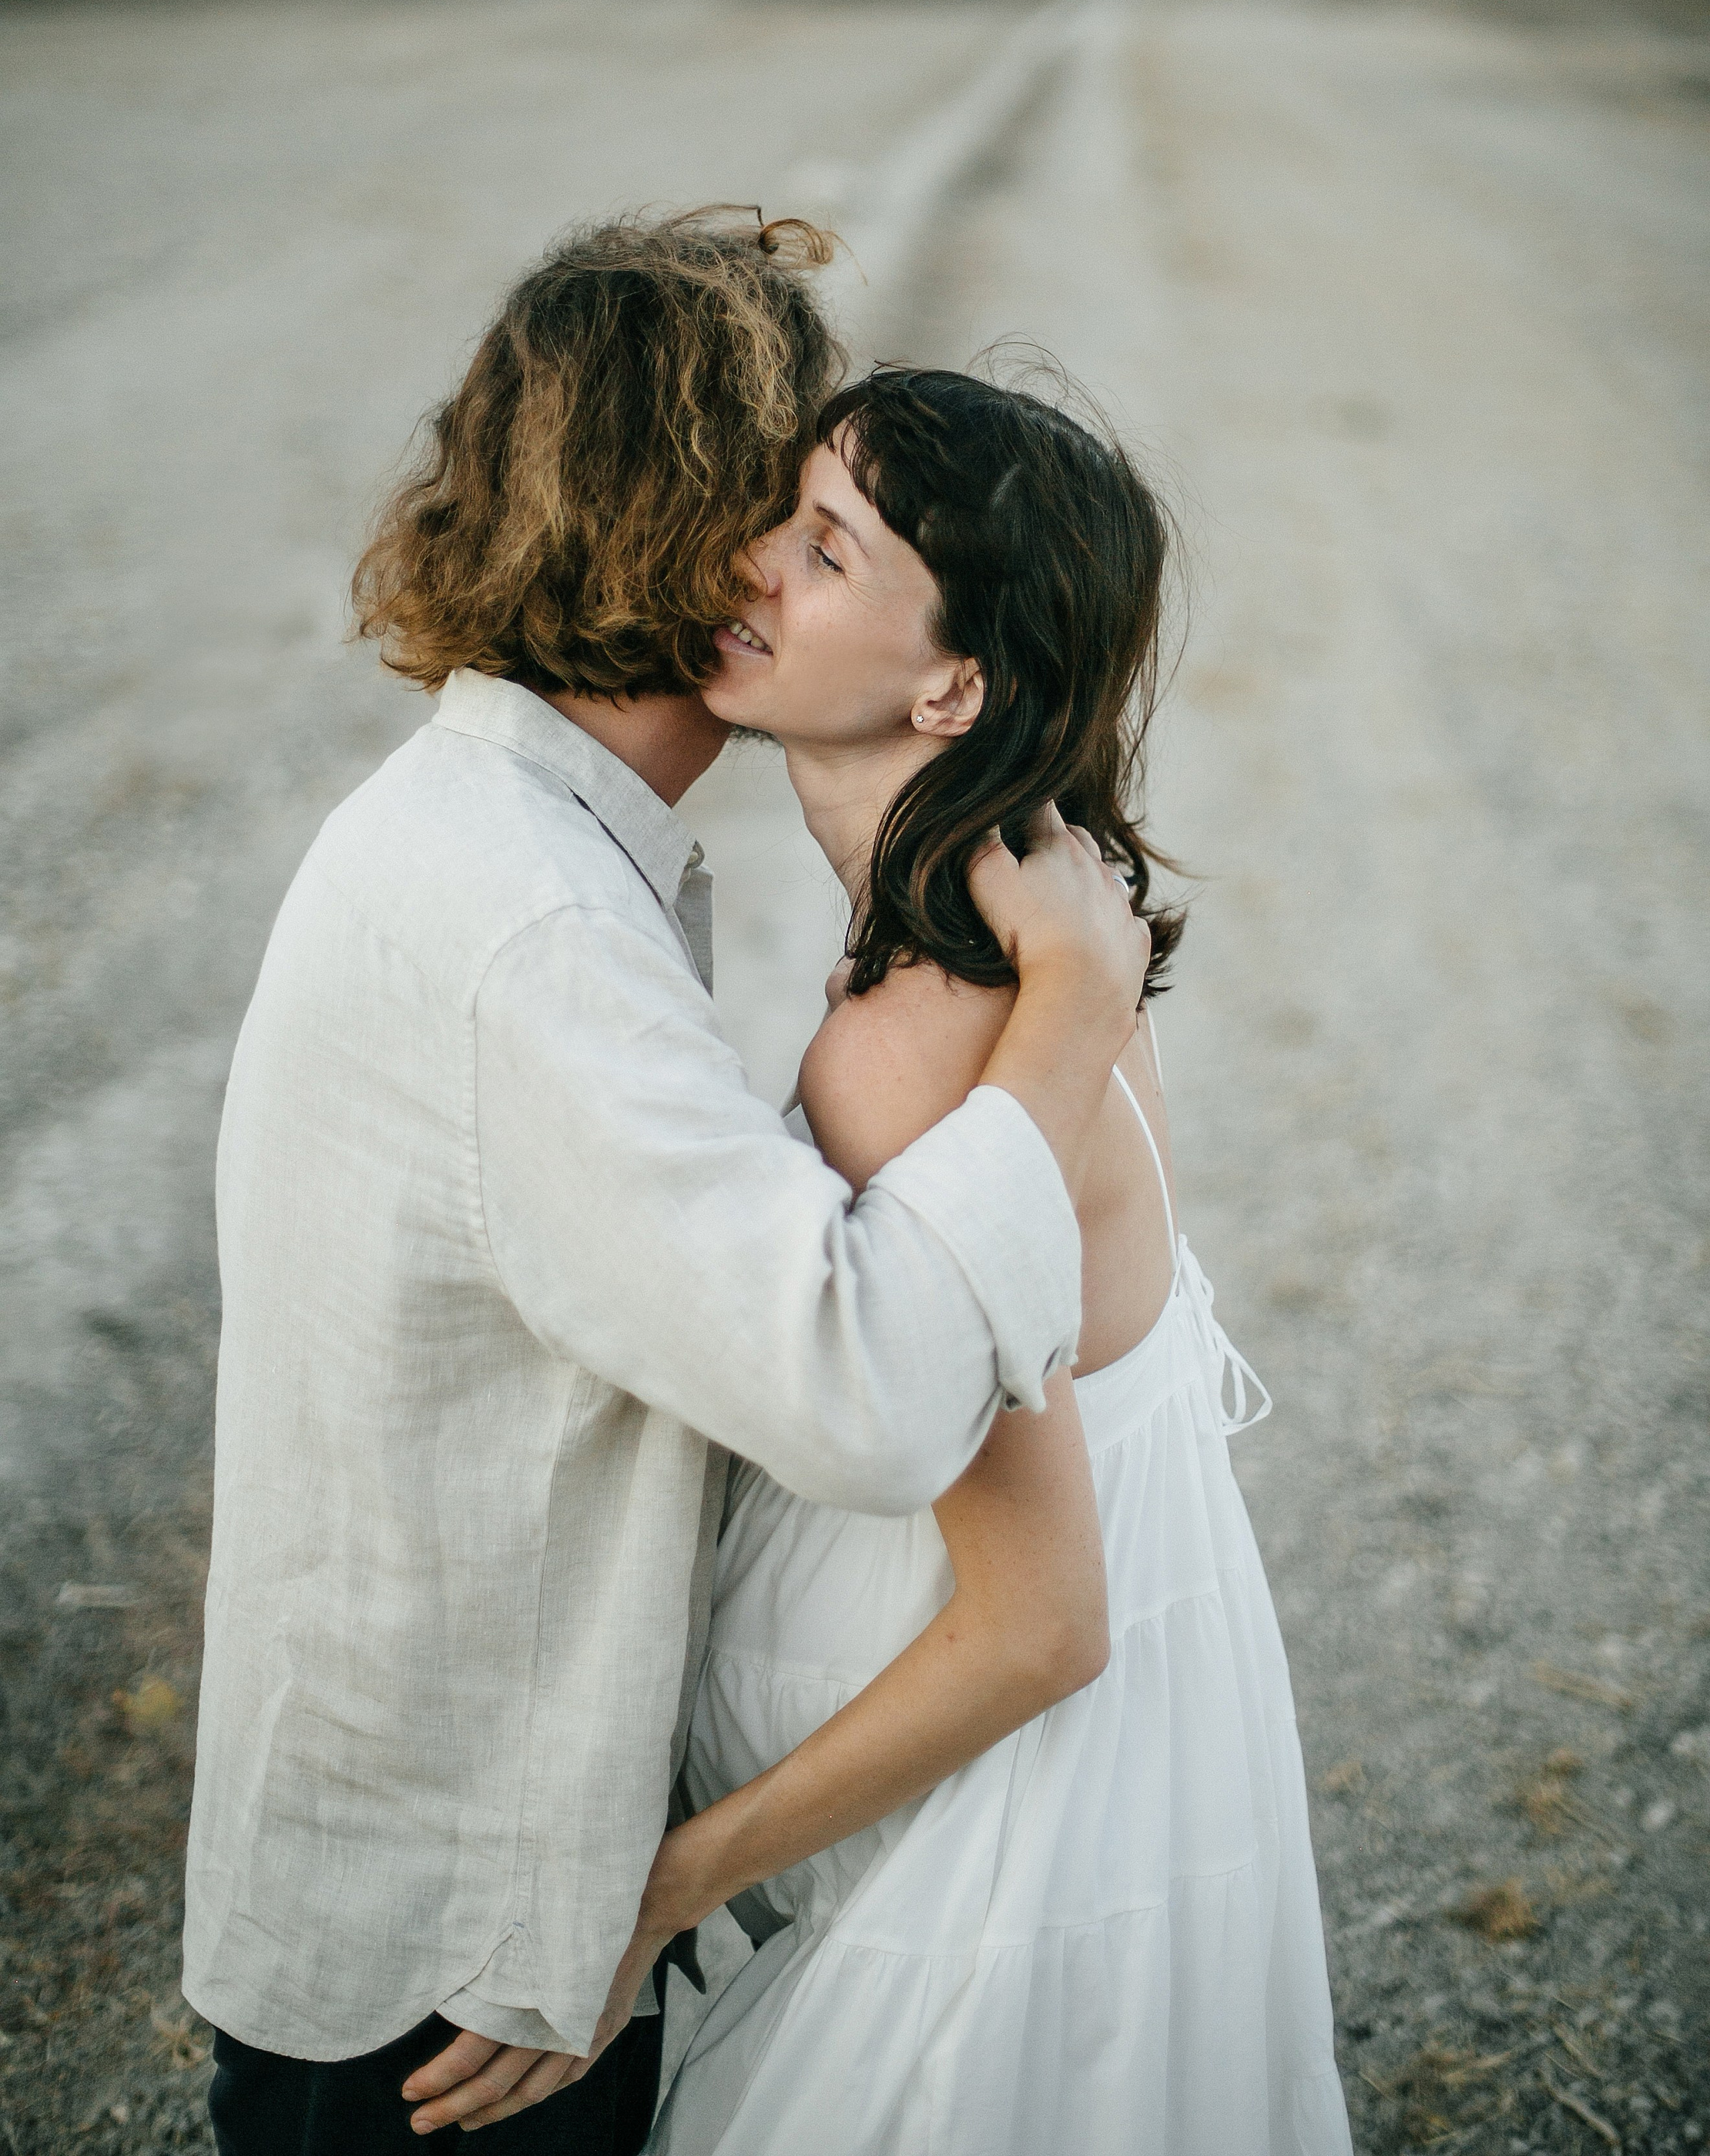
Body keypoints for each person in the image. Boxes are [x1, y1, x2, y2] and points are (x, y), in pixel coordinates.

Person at [181, 219, 1150, 2156]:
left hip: (466, 1911)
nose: (789, 556)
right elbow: (865, 1395)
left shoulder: (489, 839)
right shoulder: (531, 925)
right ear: (694, 533)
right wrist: (1071, 1012)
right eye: (785, 505)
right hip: (455, 1973)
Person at [540, 367, 1352, 2153]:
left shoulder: (925, 1035)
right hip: (1081, 1800)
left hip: (1010, 1861)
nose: (748, 564)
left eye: (822, 548)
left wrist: (659, 1895)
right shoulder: (1038, 913)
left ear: (952, 685)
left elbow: (1041, 1627)